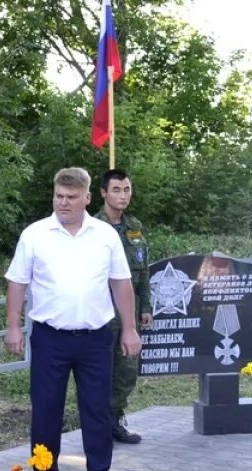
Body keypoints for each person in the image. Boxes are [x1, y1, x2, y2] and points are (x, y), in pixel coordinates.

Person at [4, 168, 141, 471]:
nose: (63, 203)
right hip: (51, 338)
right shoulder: (36, 235)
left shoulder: (105, 236)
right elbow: (17, 282)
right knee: (47, 407)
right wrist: (12, 325)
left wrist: (130, 328)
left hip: (95, 338)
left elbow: (121, 283)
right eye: (59, 196)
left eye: (71, 197)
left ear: (87, 198)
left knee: (96, 407)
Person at [93, 169, 152, 444]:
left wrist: (146, 307)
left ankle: (115, 419)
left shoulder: (134, 227)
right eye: (116, 190)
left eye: (127, 189)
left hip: (129, 311)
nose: (123, 195)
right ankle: (98, 425)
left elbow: (143, 272)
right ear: (104, 192)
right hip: (101, 312)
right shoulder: (91, 227)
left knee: (127, 369)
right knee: (100, 369)